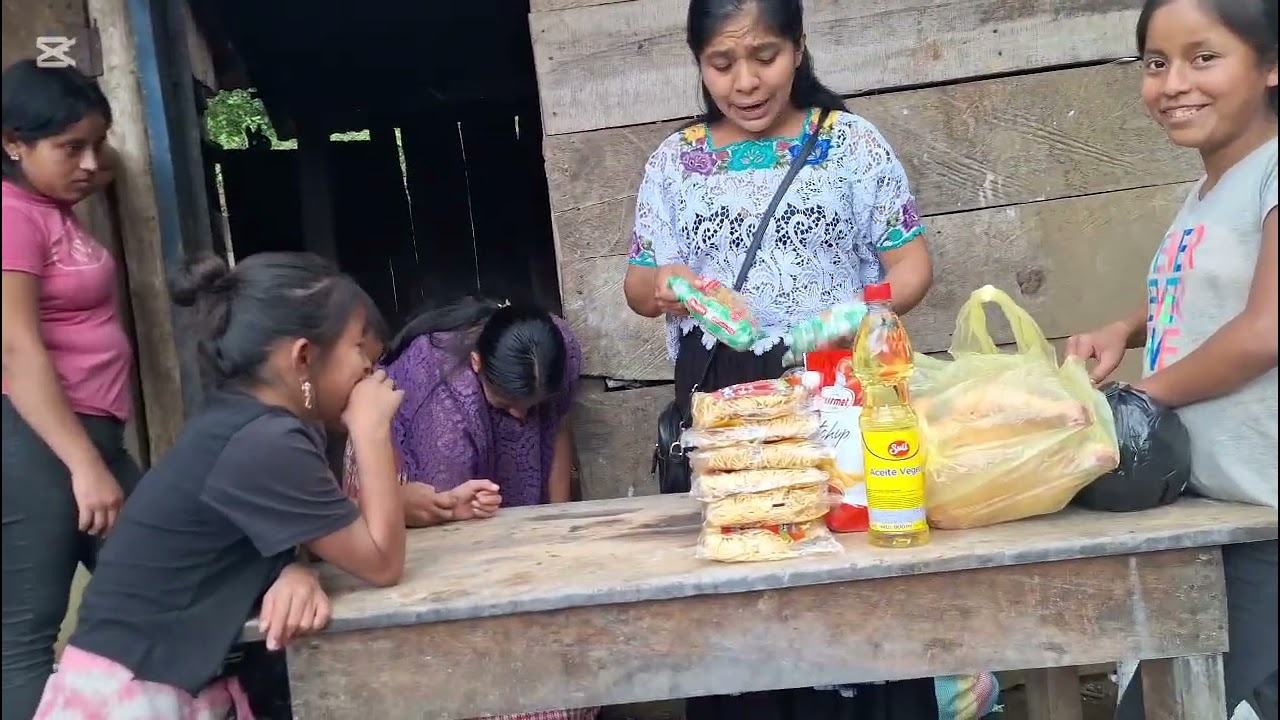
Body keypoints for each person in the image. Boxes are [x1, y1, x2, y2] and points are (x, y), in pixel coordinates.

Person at [622, 0, 954, 717]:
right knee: (742, 610)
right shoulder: (677, 162)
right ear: (699, 62)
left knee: (860, 603)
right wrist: (672, 287)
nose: (745, 81)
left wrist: (858, 313)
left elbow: (913, 265)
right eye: (722, 62)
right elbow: (638, 284)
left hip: (839, 399)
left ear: (799, 48)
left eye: (764, 56)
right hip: (725, 413)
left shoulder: (853, 145)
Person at [33, 252, 409, 718]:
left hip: (149, 680)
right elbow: (382, 562)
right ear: (303, 357)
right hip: (126, 697)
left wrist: (293, 566)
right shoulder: (264, 441)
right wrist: (371, 432)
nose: (370, 373)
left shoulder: (254, 422)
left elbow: (311, 522)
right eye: (360, 352)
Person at [1067, 0, 1278, 718]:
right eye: (1156, 63)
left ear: (1272, 65)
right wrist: (1123, 326)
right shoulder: (1208, 190)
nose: (1173, 82)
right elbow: (1204, 300)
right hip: (1217, 521)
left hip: (1268, 520)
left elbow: (1265, 329)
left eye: (1204, 57)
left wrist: (1136, 399)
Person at [1, 59, 139, 719]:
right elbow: (14, 346)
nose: (89, 162)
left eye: (97, 144)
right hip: (39, 444)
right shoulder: (9, 213)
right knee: (24, 635)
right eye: (70, 147)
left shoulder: (48, 207)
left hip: (89, 438)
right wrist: (83, 464)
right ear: (12, 143)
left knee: (152, 583)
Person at [341, 297, 583, 524]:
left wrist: (557, 520)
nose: (521, 418)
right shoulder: (444, 401)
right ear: (476, 363)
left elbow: (558, 427)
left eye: (533, 408)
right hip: (406, 474)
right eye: (505, 404)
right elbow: (444, 507)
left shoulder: (556, 346)